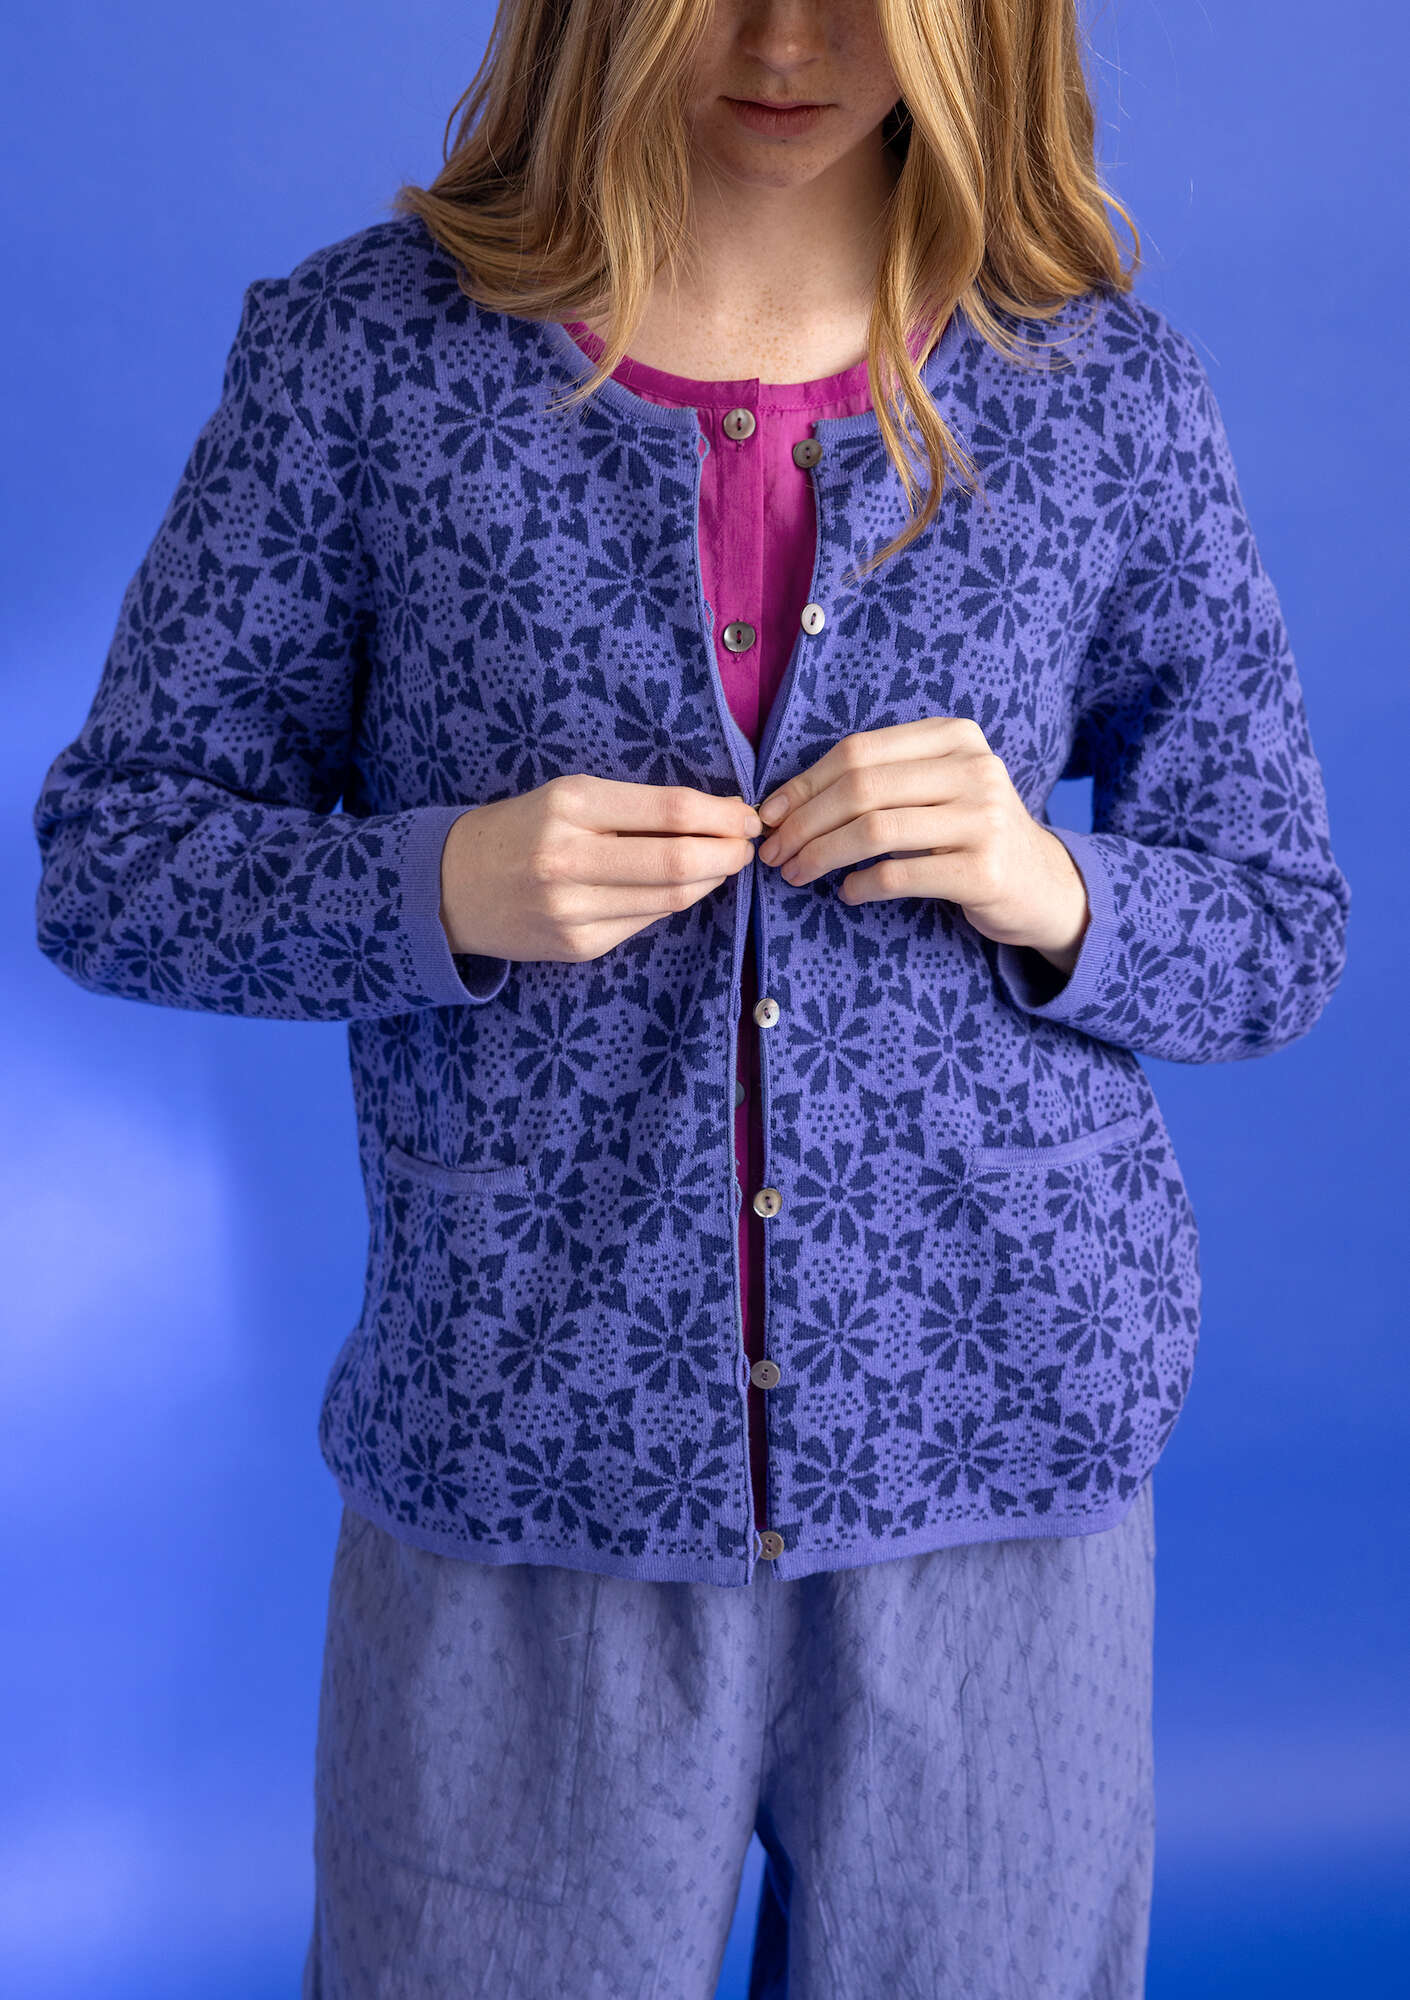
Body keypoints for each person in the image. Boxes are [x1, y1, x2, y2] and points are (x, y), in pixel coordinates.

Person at [31, 0, 1351, 1995]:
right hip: (523, 1457)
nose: (786, 41)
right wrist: (442, 881)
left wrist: (1048, 880)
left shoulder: (1101, 391)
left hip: (1002, 1458)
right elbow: (114, 861)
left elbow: (1276, 924)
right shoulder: (368, 359)